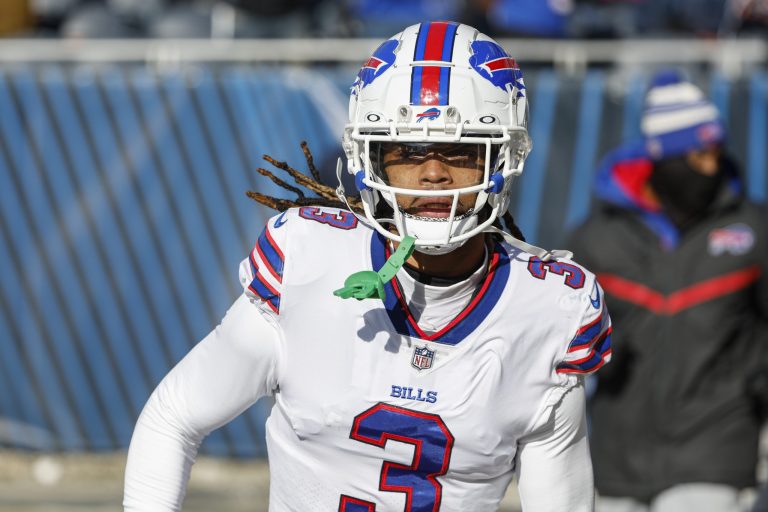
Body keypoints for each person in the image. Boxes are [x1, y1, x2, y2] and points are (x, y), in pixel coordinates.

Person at [123, 22, 612, 511]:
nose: (434, 172)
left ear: (505, 158)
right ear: (369, 159)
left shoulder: (550, 309)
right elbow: (174, 418)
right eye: (408, 150)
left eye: (462, 148)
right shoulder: (310, 260)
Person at [568, 70, 768, 512]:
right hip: (616, 458)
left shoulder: (752, 228)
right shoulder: (597, 239)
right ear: (664, 156)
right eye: (699, 155)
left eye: (717, 151)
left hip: (716, 450)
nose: (713, 167)